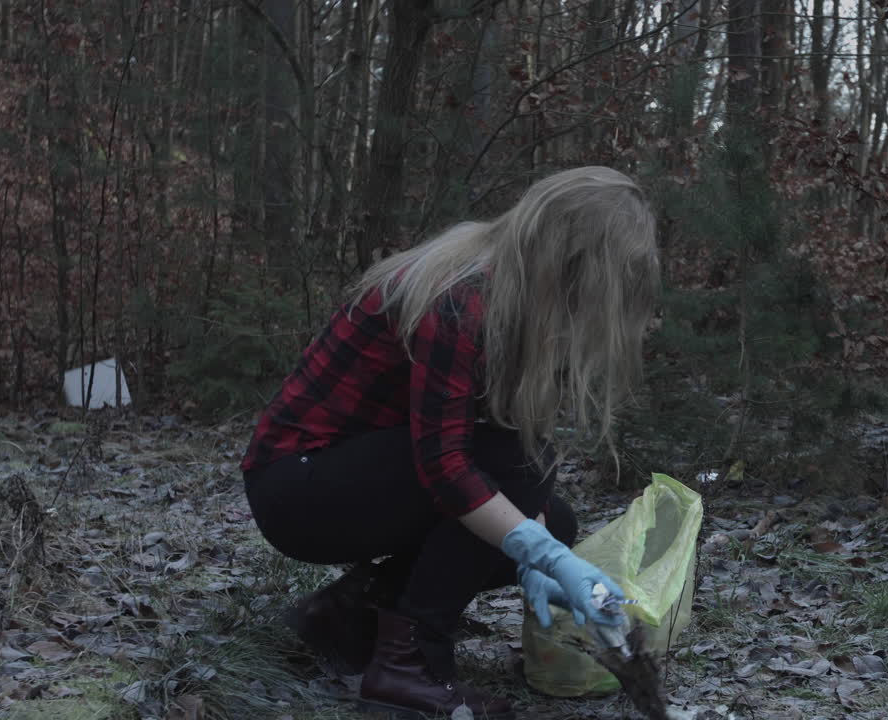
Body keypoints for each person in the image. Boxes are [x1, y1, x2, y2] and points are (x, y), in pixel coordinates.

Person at [239, 166, 660, 719]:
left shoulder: (510, 292)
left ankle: (347, 614)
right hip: (296, 485)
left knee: (549, 517)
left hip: (357, 474)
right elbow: (447, 463)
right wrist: (549, 558)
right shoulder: (462, 298)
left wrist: (541, 551)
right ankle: (408, 665)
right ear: (575, 263)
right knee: (517, 473)